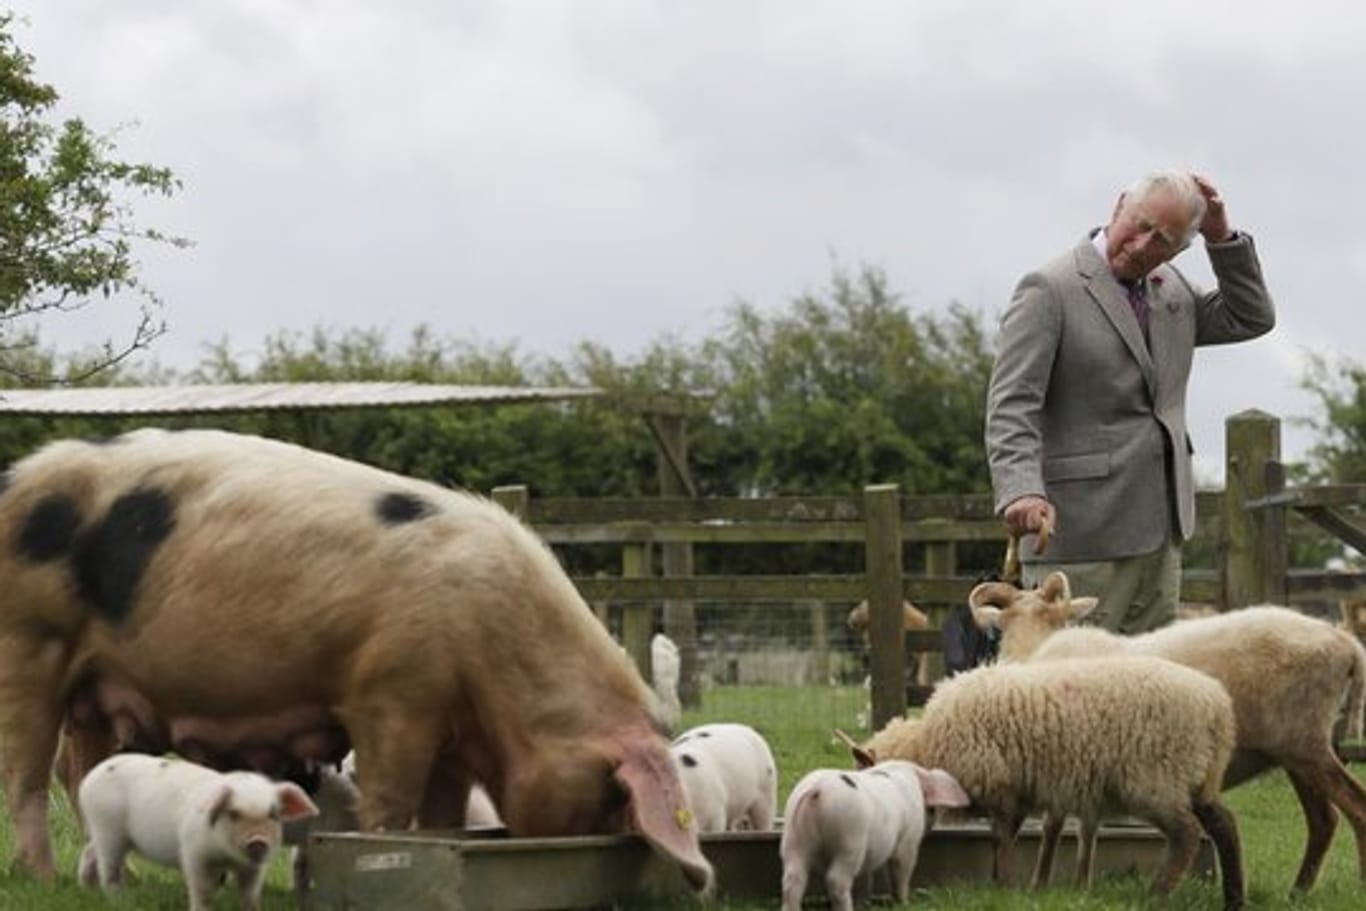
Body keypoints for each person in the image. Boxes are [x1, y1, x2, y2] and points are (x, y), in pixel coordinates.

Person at [984, 171, 1274, 632]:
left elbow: (1251, 316)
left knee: (1144, 693)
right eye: (1139, 225)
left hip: (1161, 533)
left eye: (1162, 239)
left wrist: (1222, 239)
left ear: (1181, 249)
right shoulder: (1049, 288)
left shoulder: (1174, 288)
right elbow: (1012, 401)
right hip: (1079, 535)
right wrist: (1021, 487)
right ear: (1119, 205)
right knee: (1068, 691)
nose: (1142, 245)